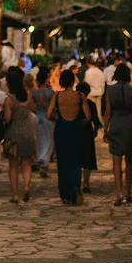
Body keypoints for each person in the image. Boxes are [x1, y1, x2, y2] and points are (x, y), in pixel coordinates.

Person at [104, 62, 132, 205]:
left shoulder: (110, 90)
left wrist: (105, 129)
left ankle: (119, 192)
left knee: (116, 160)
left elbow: (108, 112)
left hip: (116, 124)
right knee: (129, 160)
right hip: (130, 125)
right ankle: (129, 192)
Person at [46, 69, 86, 205]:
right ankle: (76, 185)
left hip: (61, 127)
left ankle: (65, 194)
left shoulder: (57, 96)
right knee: (75, 160)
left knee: (62, 162)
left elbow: (48, 114)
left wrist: (56, 118)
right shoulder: (80, 96)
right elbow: (88, 116)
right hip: (75, 128)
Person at [2, 67, 37, 203]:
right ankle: (27, 187)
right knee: (27, 163)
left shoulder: (9, 98)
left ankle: (15, 195)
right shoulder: (27, 96)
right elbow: (33, 108)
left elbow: (8, 118)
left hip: (13, 135)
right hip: (27, 133)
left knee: (13, 165)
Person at [31, 66, 55, 178]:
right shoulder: (51, 92)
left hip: (38, 118)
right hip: (49, 119)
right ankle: (44, 161)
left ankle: (40, 160)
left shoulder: (34, 93)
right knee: (49, 141)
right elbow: (54, 107)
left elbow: (31, 106)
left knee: (40, 141)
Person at [76, 80, 100, 194]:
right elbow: (95, 119)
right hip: (86, 132)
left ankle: (77, 182)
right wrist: (95, 130)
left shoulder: (73, 104)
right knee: (87, 158)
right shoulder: (90, 104)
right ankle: (86, 182)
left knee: (76, 157)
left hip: (75, 131)